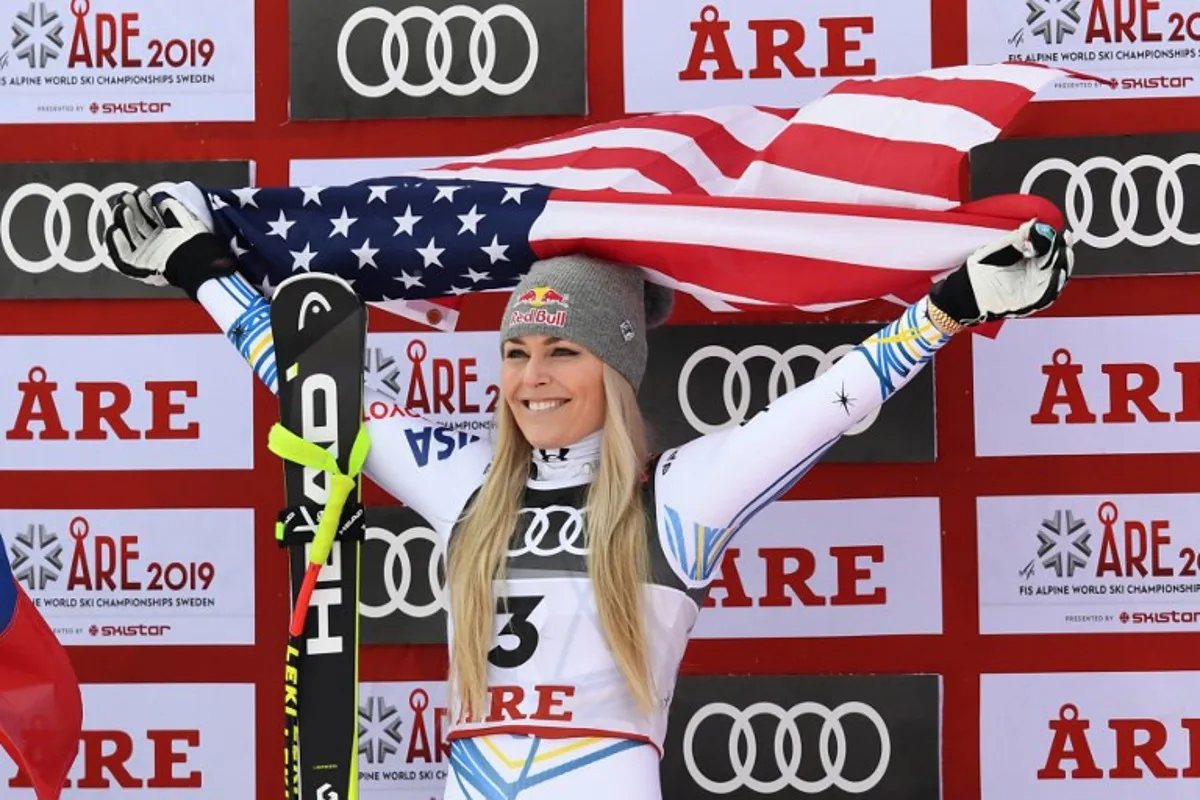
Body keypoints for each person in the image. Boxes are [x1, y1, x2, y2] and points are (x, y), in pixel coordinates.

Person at [103, 189, 1075, 799]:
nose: (532, 376)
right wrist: (200, 271)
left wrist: (950, 308)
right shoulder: (466, 480)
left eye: (563, 350)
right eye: (517, 351)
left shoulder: (682, 492)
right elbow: (318, 382)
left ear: (613, 367)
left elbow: (830, 401)